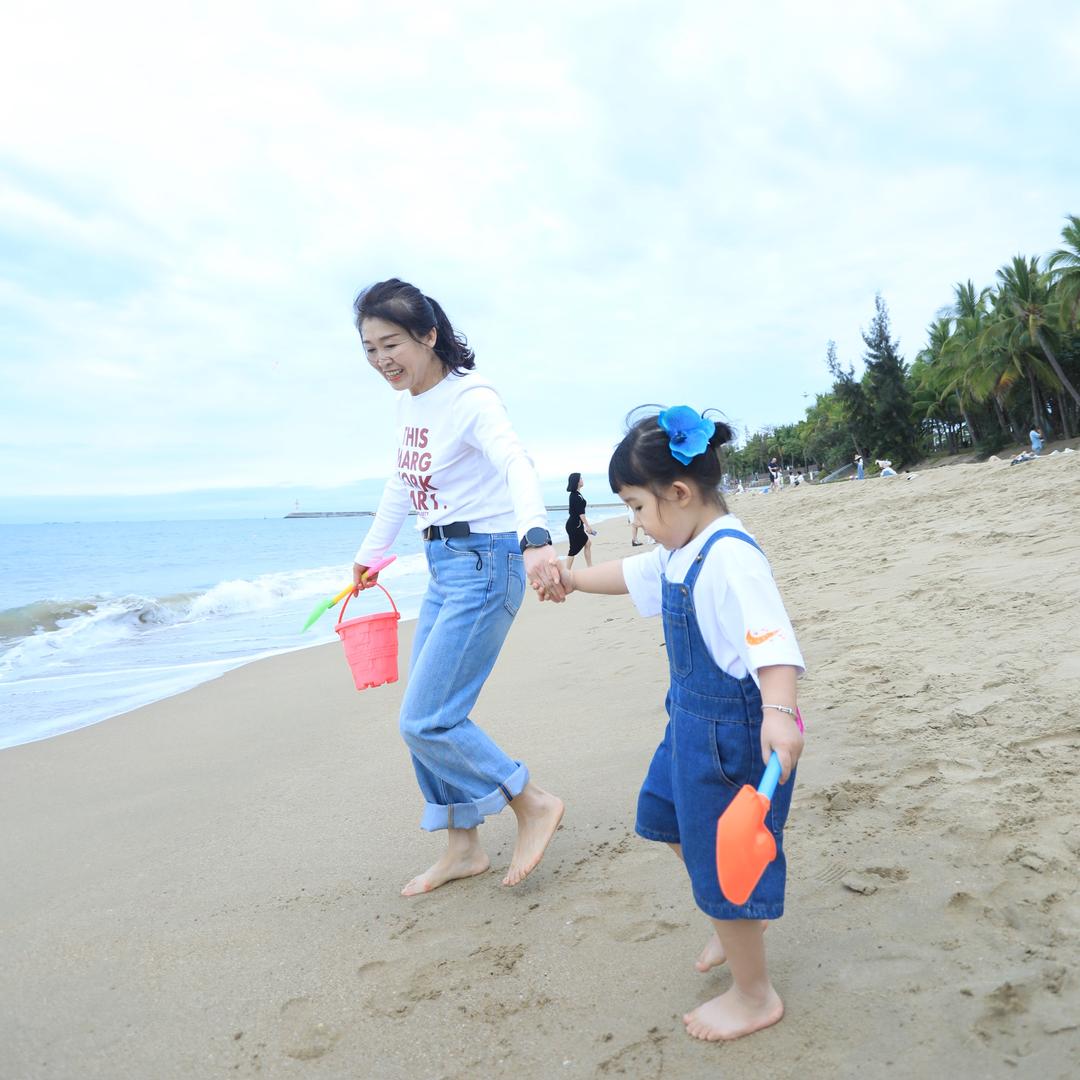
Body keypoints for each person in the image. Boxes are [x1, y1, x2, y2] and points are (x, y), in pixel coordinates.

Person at [537, 406, 805, 1043]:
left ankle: (753, 992)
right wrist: (570, 579)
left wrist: (778, 712)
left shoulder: (729, 558)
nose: (633, 522)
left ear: (678, 494)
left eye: (635, 507)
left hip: (733, 734)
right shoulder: (681, 550)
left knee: (725, 864)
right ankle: (737, 923)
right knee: (662, 816)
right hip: (686, 723)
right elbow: (630, 574)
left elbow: (773, 643)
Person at [350, 278, 565, 896]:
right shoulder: (408, 405)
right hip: (443, 564)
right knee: (423, 711)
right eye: (368, 349)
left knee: (427, 719)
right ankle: (463, 847)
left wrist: (536, 538)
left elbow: (515, 463)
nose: (381, 359)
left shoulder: (471, 398)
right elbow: (402, 484)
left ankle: (533, 801)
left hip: (488, 561)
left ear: (428, 334)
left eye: (391, 343)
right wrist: (370, 556)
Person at [565, 472, 596, 569]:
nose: (582, 480)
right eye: (581, 478)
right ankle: (567, 571)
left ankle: (589, 566)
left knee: (587, 543)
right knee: (573, 549)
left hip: (575, 524)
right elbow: (581, 513)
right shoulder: (575, 496)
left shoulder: (577, 494)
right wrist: (588, 526)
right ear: (577, 482)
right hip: (574, 525)